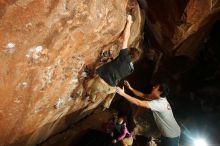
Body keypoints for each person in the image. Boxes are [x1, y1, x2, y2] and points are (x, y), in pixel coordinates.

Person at [85, 15, 136, 109]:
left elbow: (126, 38)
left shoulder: (124, 56)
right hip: (110, 89)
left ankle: (92, 99)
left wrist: (129, 22)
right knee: (116, 89)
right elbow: (119, 69)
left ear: (129, 52)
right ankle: (106, 104)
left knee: (93, 89)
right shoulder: (131, 69)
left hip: (99, 84)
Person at [116, 81, 181, 146]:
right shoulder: (161, 98)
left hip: (171, 136)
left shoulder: (159, 104)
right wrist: (130, 88)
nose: (153, 87)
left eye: (155, 87)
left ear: (160, 92)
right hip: (171, 132)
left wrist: (123, 94)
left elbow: (139, 103)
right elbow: (144, 95)